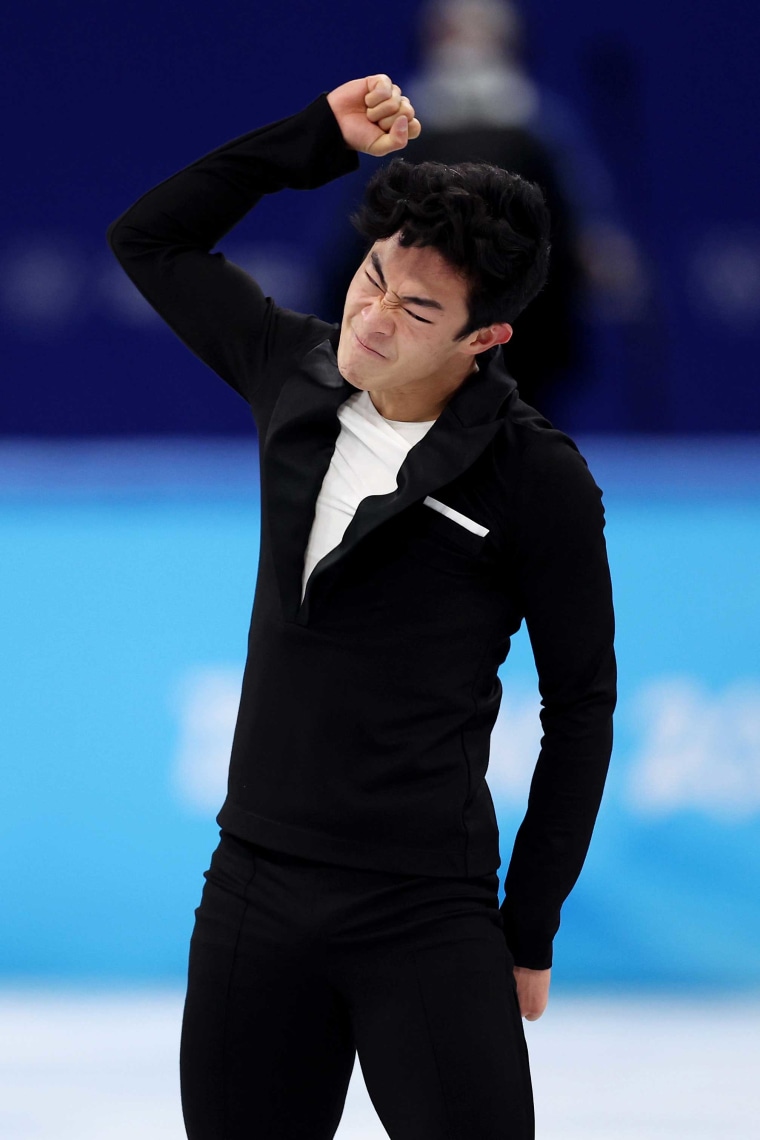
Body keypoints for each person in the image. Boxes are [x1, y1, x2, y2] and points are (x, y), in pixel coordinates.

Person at [107, 73, 617, 1140]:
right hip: (254, 886)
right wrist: (310, 140)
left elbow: (579, 708)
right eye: (373, 280)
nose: (373, 319)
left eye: (417, 309)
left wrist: (528, 925)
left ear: (485, 341)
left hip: (425, 911)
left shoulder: (537, 480)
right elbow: (150, 239)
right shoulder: (290, 370)